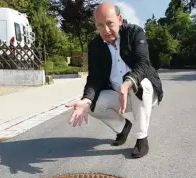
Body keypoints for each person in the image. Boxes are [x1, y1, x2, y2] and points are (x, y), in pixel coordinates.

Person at [66, 2, 164, 159]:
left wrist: (128, 82)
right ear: (96, 26)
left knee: (140, 84)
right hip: (117, 95)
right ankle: (123, 127)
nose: (106, 30)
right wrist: (86, 99)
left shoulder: (134, 32)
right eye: (100, 25)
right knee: (91, 105)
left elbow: (143, 63)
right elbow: (94, 78)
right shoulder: (95, 45)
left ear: (119, 19)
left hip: (142, 93)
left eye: (110, 23)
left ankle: (141, 138)